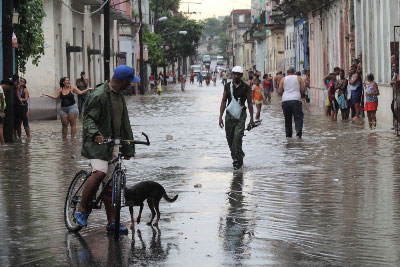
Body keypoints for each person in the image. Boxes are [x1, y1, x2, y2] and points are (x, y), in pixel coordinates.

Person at [74, 65, 140, 232]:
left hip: (114, 144)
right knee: (100, 172)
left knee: (110, 185)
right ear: (123, 81)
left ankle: (112, 223)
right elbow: (88, 119)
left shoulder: (119, 96)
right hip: (98, 144)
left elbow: (124, 123)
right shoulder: (99, 95)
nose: (131, 85)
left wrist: (128, 148)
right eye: (130, 82)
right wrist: (95, 133)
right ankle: (81, 209)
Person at [219, 66, 254, 170]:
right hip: (229, 115)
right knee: (230, 138)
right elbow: (224, 101)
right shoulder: (227, 86)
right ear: (232, 74)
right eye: (235, 74)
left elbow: (250, 103)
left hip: (241, 114)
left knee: (237, 137)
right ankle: (239, 156)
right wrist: (220, 116)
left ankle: (236, 162)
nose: (236, 76)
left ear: (242, 75)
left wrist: (252, 119)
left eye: (239, 74)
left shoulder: (246, 87)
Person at [277, 67, 306, 139]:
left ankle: (288, 136)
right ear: (294, 72)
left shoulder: (283, 79)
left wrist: (285, 95)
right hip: (296, 100)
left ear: (287, 72)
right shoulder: (299, 78)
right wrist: (299, 95)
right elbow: (303, 89)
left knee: (287, 119)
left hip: (285, 100)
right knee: (298, 117)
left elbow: (279, 91)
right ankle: (298, 135)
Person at [391, 63, 399, 130]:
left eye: (394, 66)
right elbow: (391, 82)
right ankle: (397, 123)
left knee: (396, 108)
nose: (393, 67)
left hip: (398, 93)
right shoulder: (394, 74)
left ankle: (398, 123)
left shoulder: (397, 74)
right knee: (393, 107)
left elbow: (398, 81)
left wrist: (394, 81)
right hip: (395, 93)